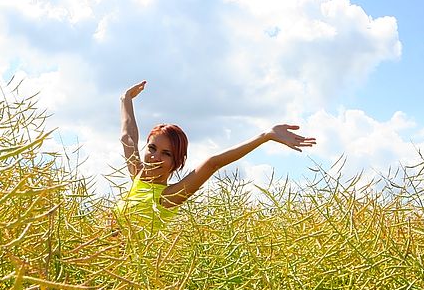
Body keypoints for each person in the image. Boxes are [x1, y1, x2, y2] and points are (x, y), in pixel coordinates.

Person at [113, 80, 316, 232]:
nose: (155, 157)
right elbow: (127, 136)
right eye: (152, 148)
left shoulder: (168, 197)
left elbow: (212, 163)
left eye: (166, 154)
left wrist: (265, 137)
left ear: (176, 163)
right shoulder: (137, 173)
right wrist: (126, 99)